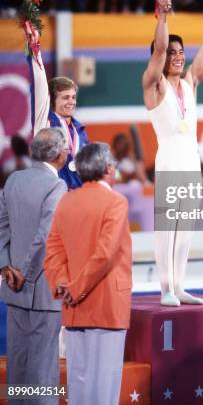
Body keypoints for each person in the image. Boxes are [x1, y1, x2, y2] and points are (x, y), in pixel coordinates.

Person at [143, 0, 203, 306]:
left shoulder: (191, 82)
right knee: (167, 229)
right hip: (168, 160)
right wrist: (164, 16)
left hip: (190, 162)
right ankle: (165, 288)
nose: (179, 57)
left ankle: (179, 285)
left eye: (182, 53)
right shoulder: (154, 86)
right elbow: (158, 49)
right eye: (173, 53)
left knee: (186, 229)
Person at [44, 142, 132, 405]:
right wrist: (76, 288)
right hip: (106, 305)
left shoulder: (67, 200)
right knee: (104, 386)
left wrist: (63, 285)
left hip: (73, 307)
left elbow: (53, 249)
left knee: (78, 382)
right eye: (114, 164)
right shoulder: (116, 202)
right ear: (107, 168)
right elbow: (105, 253)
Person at [0, 128, 68, 403]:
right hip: (39, 290)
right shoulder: (57, 186)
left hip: (14, 290)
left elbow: (1, 229)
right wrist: (24, 275)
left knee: (18, 367)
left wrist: (7, 269)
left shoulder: (14, 180)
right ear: (61, 155)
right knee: (42, 370)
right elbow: (45, 236)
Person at [24, 25, 89, 189]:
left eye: (73, 97)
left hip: (79, 200)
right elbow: (38, 86)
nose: (71, 102)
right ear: (52, 100)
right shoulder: (45, 124)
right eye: (65, 97)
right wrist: (35, 50)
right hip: (54, 197)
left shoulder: (80, 130)